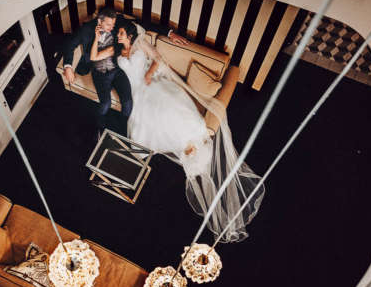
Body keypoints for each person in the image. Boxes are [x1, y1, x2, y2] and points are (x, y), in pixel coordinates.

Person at [103, 20, 265, 242]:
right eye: (117, 34)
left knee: (168, 113)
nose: (118, 36)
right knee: (144, 123)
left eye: (120, 33)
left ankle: (190, 149)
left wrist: (150, 73)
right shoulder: (116, 51)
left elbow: (158, 59)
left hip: (151, 84)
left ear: (129, 34)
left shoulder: (140, 43)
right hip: (135, 92)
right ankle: (129, 168)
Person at [60, 8, 189, 133]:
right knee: (105, 104)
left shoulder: (120, 27)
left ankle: (123, 129)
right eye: (109, 25)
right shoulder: (86, 29)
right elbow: (70, 46)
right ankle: (99, 128)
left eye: (114, 25)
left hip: (116, 70)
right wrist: (68, 67)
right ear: (100, 21)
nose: (113, 28)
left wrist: (170, 33)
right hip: (99, 71)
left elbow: (141, 23)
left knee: (127, 103)